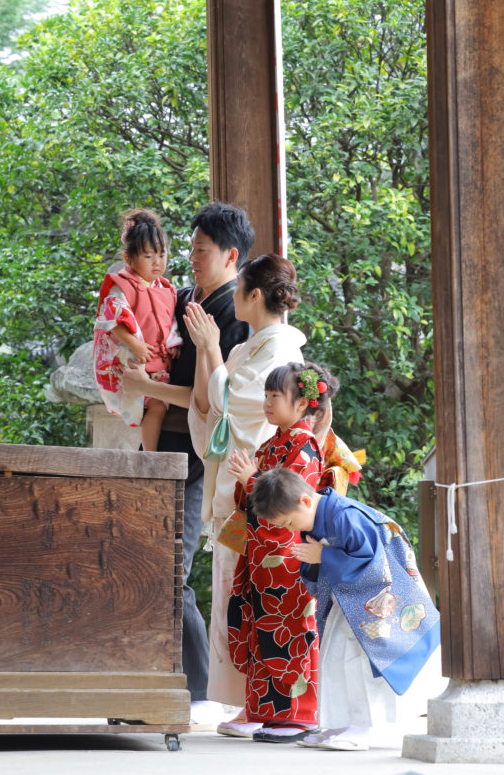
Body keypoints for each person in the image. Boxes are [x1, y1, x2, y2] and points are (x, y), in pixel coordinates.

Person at [121, 202, 255, 725]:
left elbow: (209, 399)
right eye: (191, 249)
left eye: (201, 251)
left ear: (231, 256)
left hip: (198, 456)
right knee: (145, 564)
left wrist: (147, 386)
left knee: (171, 567)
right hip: (157, 445)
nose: (192, 259)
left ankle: (199, 691)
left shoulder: (232, 312)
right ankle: (161, 683)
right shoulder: (178, 295)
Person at [183, 253, 307, 734]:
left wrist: (212, 348)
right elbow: (214, 410)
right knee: (232, 594)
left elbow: (235, 405)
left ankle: (260, 700)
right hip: (234, 480)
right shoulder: (249, 349)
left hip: (258, 486)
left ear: (256, 295)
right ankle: (243, 699)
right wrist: (206, 351)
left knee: (252, 595)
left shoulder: (281, 350)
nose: (232, 295)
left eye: (239, 288)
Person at [249, 468, 441, 751]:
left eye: (290, 523)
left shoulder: (345, 516)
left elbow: (373, 565)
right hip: (351, 597)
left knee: (358, 658)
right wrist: (318, 560)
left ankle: (365, 726)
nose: (294, 531)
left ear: (304, 501)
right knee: (332, 654)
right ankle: (340, 722)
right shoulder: (319, 517)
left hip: (377, 599)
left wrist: (323, 555)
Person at [224, 363, 331, 741]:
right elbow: (250, 500)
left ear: (302, 404)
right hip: (260, 551)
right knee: (261, 631)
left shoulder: (305, 445)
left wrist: (250, 479)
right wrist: (247, 479)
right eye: (266, 396)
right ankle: (267, 712)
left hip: (287, 553)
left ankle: (298, 714)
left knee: (291, 630)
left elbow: (286, 503)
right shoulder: (273, 442)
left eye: (275, 396)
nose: (268, 403)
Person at [93, 209, 182, 450]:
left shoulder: (166, 288)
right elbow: (110, 322)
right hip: (132, 359)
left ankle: (149, 456)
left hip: (158, 360)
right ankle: (147, 457)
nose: (158, 262)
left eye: (162, 255)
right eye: (149, 256)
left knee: (157, 406)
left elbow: (170, 322)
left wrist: (173, 344)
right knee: (141, 405)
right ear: (129, 259)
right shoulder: (121, 285)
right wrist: (134, 344)